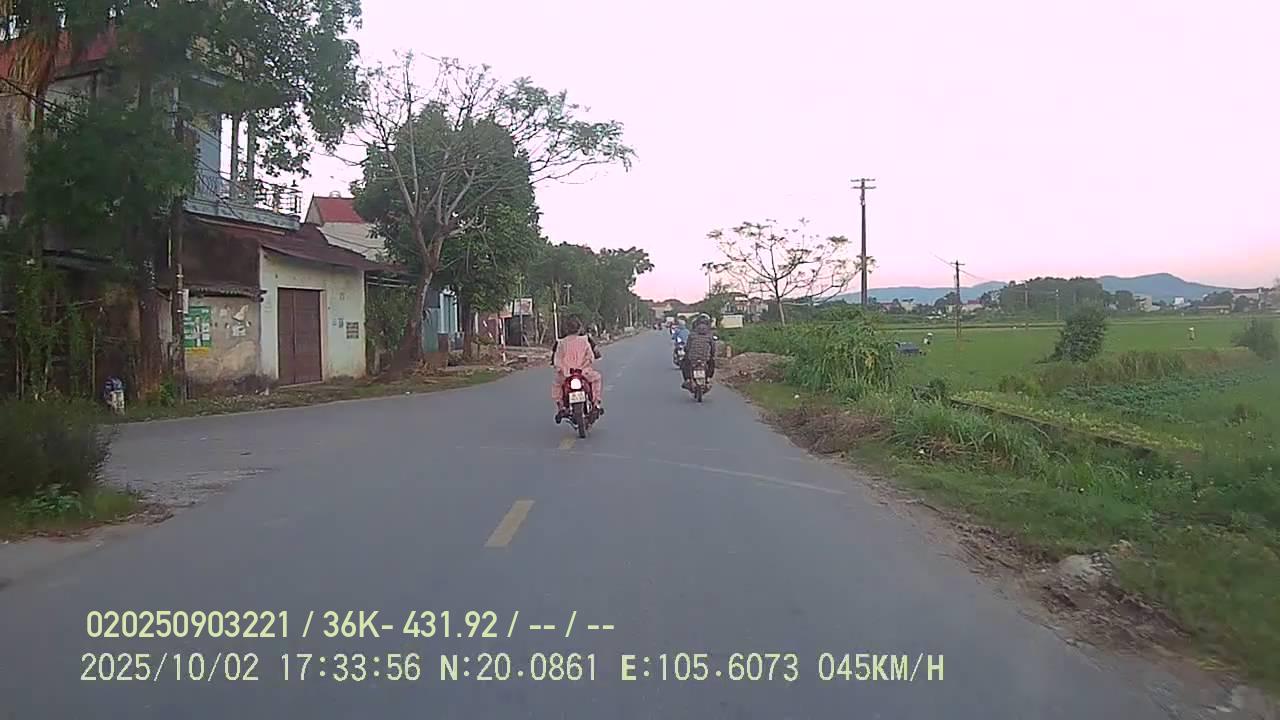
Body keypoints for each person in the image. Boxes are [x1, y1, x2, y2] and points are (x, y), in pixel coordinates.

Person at [552, 315, 604, 419]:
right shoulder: (585, 340)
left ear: (566, 329)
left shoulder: (561, 343)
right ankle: (596, 403)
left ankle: (561, 406)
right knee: (597, 378)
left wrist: (561, 368)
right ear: (579, 328)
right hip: (583, 372)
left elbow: (557, 359)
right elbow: (590, 356)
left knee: (557, 384)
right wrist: (587, 364)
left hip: (566, 374)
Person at [681, 315, 716, 389]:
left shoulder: (692, 335)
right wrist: (712, 354)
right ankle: (708, 378)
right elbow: (713, 347)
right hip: (705, 358)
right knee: (712, 363)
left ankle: (687, 379)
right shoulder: (710, 335)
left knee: (684, 363)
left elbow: (688, 347)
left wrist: (686, 351)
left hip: (693, 358)